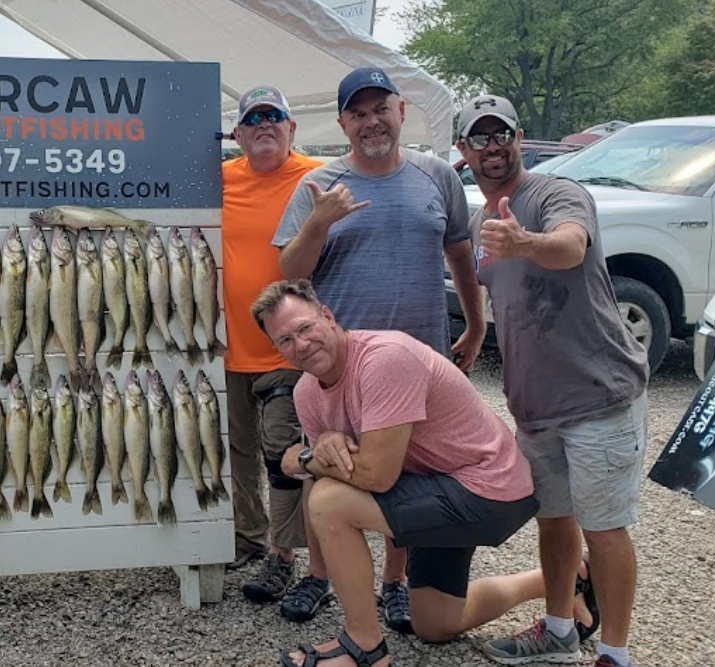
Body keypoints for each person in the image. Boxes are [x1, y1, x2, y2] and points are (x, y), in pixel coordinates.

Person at [252, 280, 592, 667]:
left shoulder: (385, 358)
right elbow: (330, 463)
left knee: (329, 501)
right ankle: (565, 579)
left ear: (327, 317)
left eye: (305, 328)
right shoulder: (307, 393)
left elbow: (375, 476)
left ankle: (365, 646)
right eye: (285, 340)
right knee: (436, 624)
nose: (301, 344)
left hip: (489, 489)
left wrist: (304, 456)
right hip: (434, 486)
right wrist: (317, 450)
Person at [270, 66, 488, 633]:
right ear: (343, 122)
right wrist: (318, 223)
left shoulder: (436, 176)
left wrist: (477, 321)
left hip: (417, 358)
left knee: (406, 470)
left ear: (401, 111)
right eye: (358, 113)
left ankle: (394, 583)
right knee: (325, 463)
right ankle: (320, 576)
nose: (371, 122)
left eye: (380, 109)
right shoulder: (318, 185)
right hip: (337, 363)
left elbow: (460, 254)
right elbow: (290, 272)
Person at [455, 94, 648, 667]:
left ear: (518, 136)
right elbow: (502, 295)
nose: (494, 148)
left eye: (502, 134)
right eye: (480, 139)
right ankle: (561, 629)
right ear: (464, 151)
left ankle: (615, 653)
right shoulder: (477, 219)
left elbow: (570, 246)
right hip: (535, 407)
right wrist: (474, 327)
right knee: (555, 519)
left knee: (605, 529)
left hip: (598, 396)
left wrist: (525, 243)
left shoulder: (557, 193)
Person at [218, 85, 330, 613]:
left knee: (284, 454)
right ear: (237, 133)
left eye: (275, 117)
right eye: (253, 118)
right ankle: (250, 538)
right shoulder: (219, 179)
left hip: (290, 349)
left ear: (292, 129)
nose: (264, 125)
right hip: (227, 347)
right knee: (239, 453)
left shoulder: (317, 177)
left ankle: (295, 560)